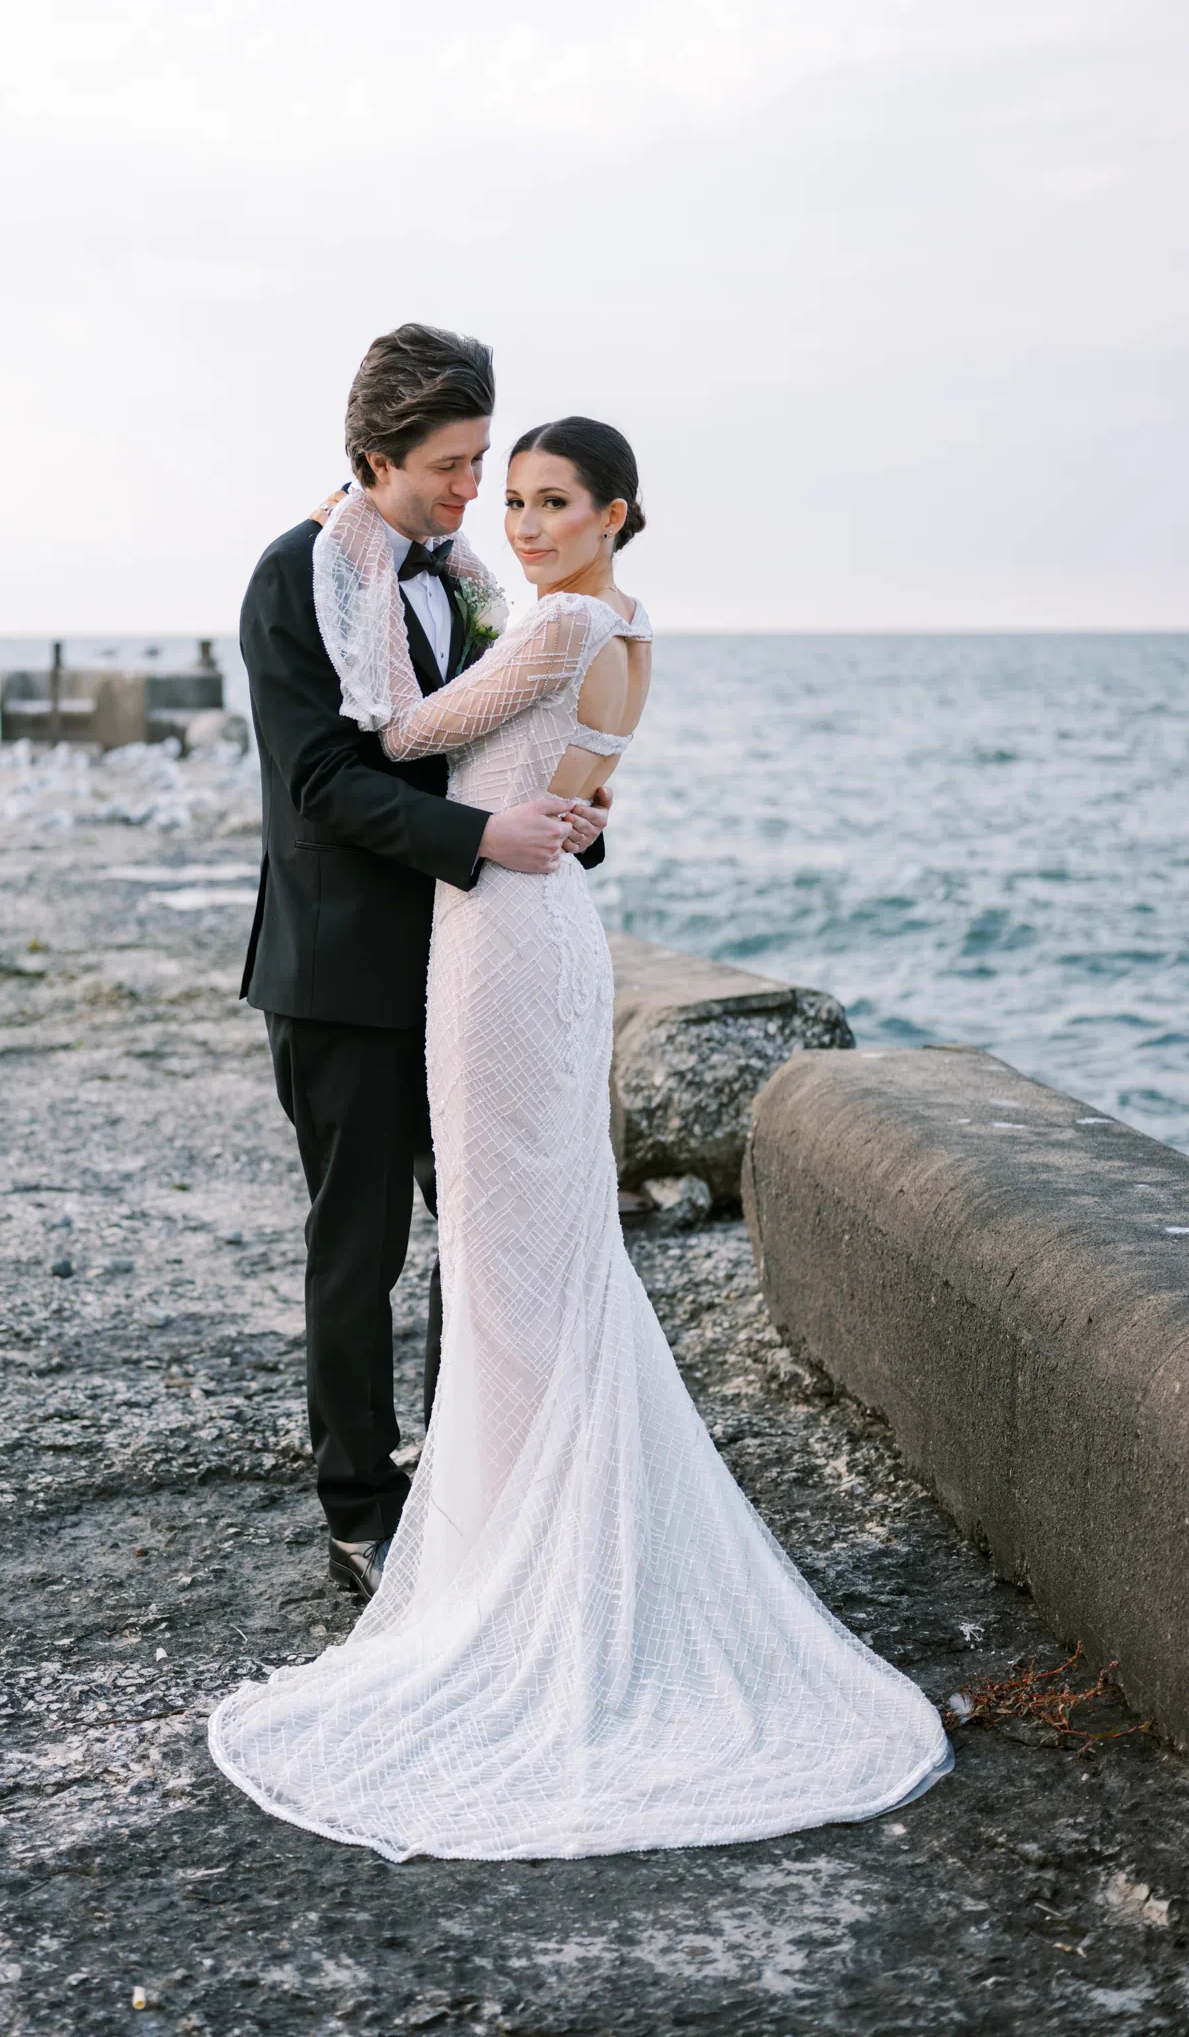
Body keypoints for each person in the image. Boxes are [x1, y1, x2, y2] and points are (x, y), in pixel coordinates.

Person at [210, 417, 952, 1861]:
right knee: (448, 1246)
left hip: (496, 951)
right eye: (483, 475)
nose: (502, 506)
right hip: (443, 956)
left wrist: (512, 776)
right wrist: (526, 802)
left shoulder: (529, 611)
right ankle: (404, 1509)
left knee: (504, 1243)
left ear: (614, 510)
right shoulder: (526, 607)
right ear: (378, 453)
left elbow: (413, 738)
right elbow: (437, 779)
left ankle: (512, 1536)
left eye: (535, 489)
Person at [237, 324, 609, 1602]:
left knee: (492, 1227)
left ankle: (477, 1482)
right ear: (377, 454)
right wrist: (480, 834)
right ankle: (361, 1510)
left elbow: (488, 751)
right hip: (342, 977)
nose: (472, 495)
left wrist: (563, 822)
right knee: (361, 1247)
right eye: (450, 467)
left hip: (470, 967)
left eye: (481, 463)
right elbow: (322, 781)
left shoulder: (460, 583)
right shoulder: (298, 578)